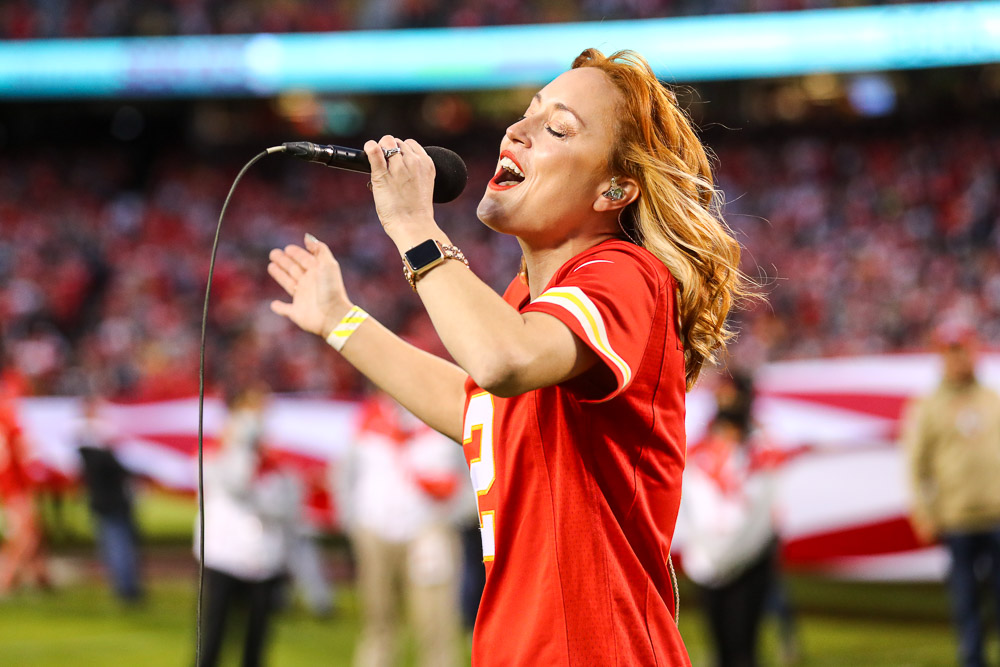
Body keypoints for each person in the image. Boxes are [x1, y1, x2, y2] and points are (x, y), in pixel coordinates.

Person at [267, 48, 748, 665]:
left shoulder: (627, 273)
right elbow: (477, 404)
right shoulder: (525, 304)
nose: (516, 131)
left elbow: (501, 361)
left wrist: (416, 227)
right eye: (526, 114)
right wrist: (342, 321)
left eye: (558, 127)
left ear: (615, 188)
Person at [336, 390, 465, 667]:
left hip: (429, 533)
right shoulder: (368, 418)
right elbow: (344, 474)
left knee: (435, 626)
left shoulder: (443, 417)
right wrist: (353, 525)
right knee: (378, 622)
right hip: (374, 530)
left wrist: (447, 521)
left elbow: (468, 479)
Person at [902, 322, 1000, 667]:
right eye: (952, 352)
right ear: (943, 356)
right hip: (957, 519)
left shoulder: (992, 399)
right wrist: (924, 513)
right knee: (966, 602)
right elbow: (916, 466)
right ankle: (973, 660)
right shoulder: (927, 407)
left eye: (965, 350)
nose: (960, 359)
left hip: (997, 515)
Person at [680, 373, 781, 667]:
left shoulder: (760, 446)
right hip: (712, 558)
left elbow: (762, 501)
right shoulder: (703, 449)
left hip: (750, 556)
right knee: (721, 645)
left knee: (742, 646)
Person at [194, 383, 299, 667]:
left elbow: (289, 505)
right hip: (224, 555)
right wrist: (242, 445)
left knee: (257, 640)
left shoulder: (273, 456)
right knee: (212, 637)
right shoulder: (217, 451)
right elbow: (237, 484)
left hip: (264, 558)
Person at [76, 390, 143, 602]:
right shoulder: (96, 444)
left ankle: (125, 587)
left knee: (115, 544)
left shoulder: (89, 442)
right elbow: (113, 469)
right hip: (112, 500)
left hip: (103, 500)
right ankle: (126, 590)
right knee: (119, 545)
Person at [0, 352, 50, 594]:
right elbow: (24, 449)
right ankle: (6, 578)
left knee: (32, 531)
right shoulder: (10, 416)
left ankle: (41, 577)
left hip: (11, 482)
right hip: (14, 484)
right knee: (24, 535)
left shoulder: (6, 415)